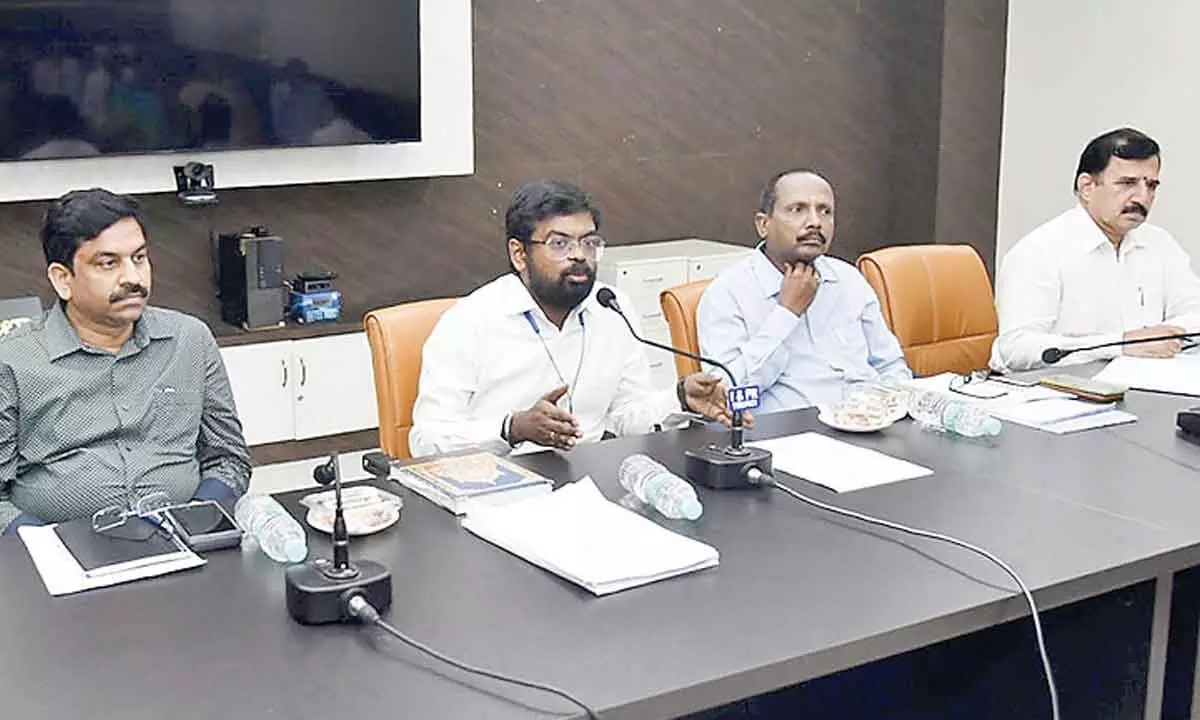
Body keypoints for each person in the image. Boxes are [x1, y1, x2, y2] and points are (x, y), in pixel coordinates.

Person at [409, 180, 738, 457]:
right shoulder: (470, 322)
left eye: (589, 242)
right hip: (496, 487)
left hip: (590, 482)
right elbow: (425, 441)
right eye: (559, 244)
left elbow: (626, 419)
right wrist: (512, 428)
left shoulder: (612, 308)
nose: (579, 255)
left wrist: (678, 398)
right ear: (519, 254)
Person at [0, 189, 251, 535]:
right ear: (63, 279)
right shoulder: (12, 361)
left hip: (185, 539)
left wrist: (198, 519)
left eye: (139, 258)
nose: (132, 278)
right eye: (108, 263)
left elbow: (228, 459)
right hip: (57, 556)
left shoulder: (189, 340)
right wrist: (45, 546)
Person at [696, 168, 911, 412]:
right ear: (763, 224)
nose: (815, 223)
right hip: (789, 437)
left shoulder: (849, 280)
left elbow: (891, 365)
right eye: (797, 210)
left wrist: (894, 411)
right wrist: (787, 313)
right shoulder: (727, 294)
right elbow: (727, 395)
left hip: (869, 426)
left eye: (825, 211)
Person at [990, 128, 1200, 371]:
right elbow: (1016, 349)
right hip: (1058, 393)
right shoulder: (1039, 250)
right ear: (1087, 187)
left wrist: (1164, 337)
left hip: (1143, 383)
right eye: (1127, 183)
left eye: (1151, 185)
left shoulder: (1160, 244)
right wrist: (1120, 345)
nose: (1142, 197)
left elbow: (1194, 314)